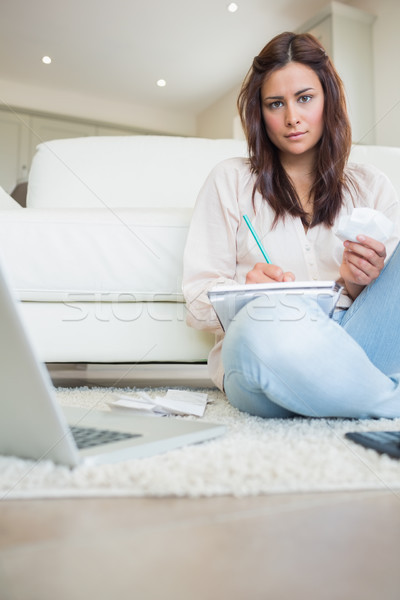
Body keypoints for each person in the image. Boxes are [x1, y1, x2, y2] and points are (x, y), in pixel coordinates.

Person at [182, 32, 400, 419]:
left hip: (356, 342)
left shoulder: (372, 186)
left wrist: (357, 283)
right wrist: (245, 295)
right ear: (259, 113)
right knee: (259, 324)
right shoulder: (229, 181)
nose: (292, 117)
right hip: (268, 351)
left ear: (327, 99)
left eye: (304, 98)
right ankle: (384, 399)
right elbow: (198, 302)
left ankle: (347, 394)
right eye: (275, 104)